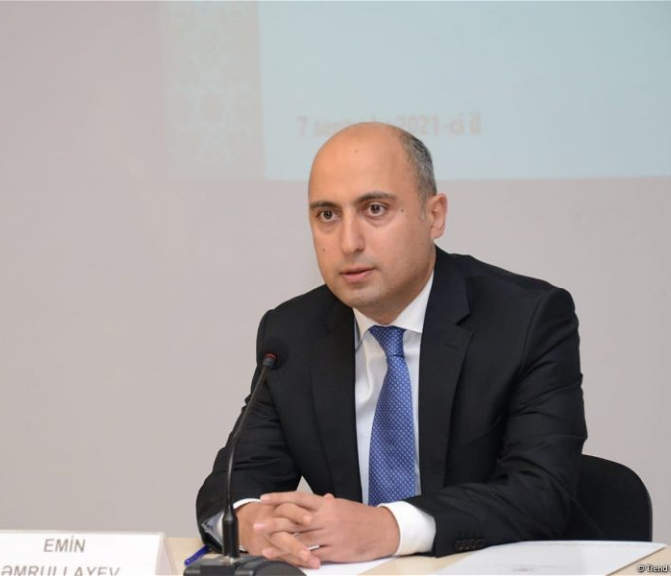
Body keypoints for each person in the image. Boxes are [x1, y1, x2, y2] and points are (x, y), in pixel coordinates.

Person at [195, 122, 587, 568]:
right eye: (327, 215)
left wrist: (389, 527)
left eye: (375, 209)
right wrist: (252, 522)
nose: (349, 242)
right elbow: (231, 485)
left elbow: (541, 493)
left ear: (434, 215)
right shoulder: (293, 333)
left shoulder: (526, 319)